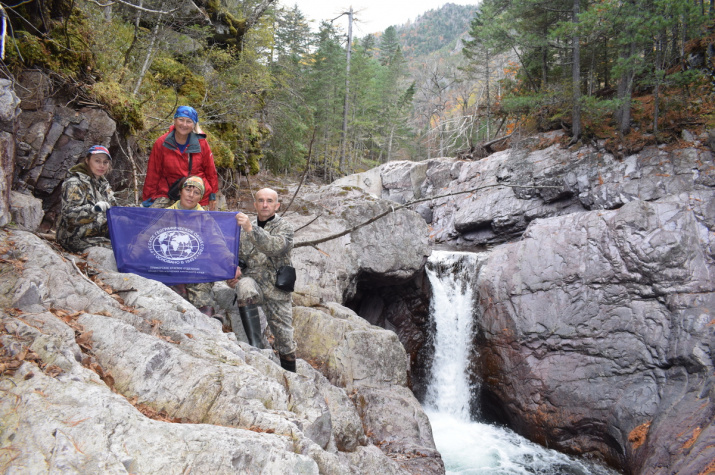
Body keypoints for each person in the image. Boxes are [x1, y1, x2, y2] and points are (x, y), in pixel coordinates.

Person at [228, 188, 297, 372]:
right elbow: (238, 256)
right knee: (244, 286)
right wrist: (233, 269)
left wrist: (251, 229)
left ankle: (291, 377)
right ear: (255, 204)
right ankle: (256, 347)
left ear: (277, 205)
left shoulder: (285, 228)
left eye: (269, 201)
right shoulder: (242, 230)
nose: (265, 204)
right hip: (253, 283)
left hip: (277, 290)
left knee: (285, 343)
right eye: (260, 200)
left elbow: (275, 247)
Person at [142, 106, 218, 211]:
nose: (184, 124)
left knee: (198, 225)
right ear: (175, 120)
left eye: (189, 121)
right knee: (154, 220)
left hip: (196, 193)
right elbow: (153, 173)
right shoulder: (162, 143)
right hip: (168, 191)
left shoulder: (201, 143)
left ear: (194, 125)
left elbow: (210, 171)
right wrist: (148, 197)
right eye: (181, 120)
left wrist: (212, 195)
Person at [166, 176, 217, 318]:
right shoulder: (166, 214)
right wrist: (131, 256)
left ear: (200, 197)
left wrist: (231, 264)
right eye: (188, 190)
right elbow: (148, 238)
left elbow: (217, 244)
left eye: (196, 192)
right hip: (171, 267)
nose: (191, 195)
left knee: (203, 302)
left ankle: (209, 326)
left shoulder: (205, 218)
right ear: (180, 191)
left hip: (198, 269)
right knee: (175, 298)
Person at [57, 145, 116, 253]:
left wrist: (137, 210)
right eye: (97, 161)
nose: (101, 165)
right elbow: (69, 215)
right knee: (118, 250)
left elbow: (115, 209)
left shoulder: (103, 184)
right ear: (87, 160)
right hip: (75, 237)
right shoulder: (74, 182)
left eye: (105, 162)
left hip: (99, 233)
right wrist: (93, 210)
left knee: (130, 242)